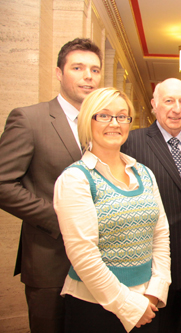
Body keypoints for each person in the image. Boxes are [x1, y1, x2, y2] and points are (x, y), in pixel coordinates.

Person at [0, 38, 102, 333]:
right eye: (78, 67)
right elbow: (3, 182)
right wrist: (60, 218)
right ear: (59, 73)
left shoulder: (103, 124)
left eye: (95, 70)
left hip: (99, 263)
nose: (88, 76)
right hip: (50, 261)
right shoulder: (30, 119)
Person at [53, 87, 171, 333]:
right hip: (95, 307)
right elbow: (83, 254)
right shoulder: (76, 178)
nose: (114, 123)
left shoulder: (144, 173)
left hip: (148, 303)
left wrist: (156, 291)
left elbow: (160, 235)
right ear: (88, 120)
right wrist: (127, 305)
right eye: (104, 116)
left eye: (122, 116)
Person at [121, 78, 181, 333]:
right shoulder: (132, 143)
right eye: (169, 100)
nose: (176, 108)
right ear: (154, 105)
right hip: (149, 268)